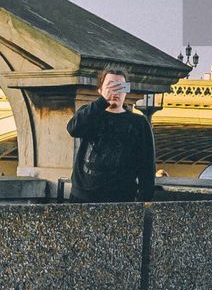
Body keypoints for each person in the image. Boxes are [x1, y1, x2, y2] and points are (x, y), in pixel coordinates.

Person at [66, 66, 156, 202]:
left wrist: (144, 202)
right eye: (111, 86)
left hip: (120, 199)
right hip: (82, 197)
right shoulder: (90, 113)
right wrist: (103, 101)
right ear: (100, 90)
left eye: (121, 87)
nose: (116, 92)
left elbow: (147, 166)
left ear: (126, 91)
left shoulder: (139, 123)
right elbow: (73, 129)